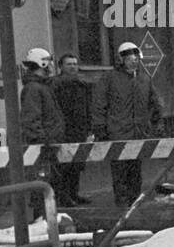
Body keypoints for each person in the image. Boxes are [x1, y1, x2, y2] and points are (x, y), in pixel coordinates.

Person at [92, 42, 164, 206]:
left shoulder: (144, 79)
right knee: (120, 170)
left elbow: (155, 102)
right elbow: (99, 103)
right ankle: (122, 203)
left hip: (138, 132)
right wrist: (100, 127)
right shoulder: (110, 78)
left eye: (136, 58)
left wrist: (157, 123)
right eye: (130, 59)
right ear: (121, 60)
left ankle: (135, 200)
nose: (134, 61)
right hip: (118, 131)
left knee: (135, 169)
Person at [19, 48, 67, 217]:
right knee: (42, 189)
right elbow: (31, 120)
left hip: (48, 147)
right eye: (49, 61)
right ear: (42, 63)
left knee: (49, 187)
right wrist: (42, 143)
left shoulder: (41, 87)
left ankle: (48, 222)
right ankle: (43, 223)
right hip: (43, 149)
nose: (52, 65)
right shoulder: (34, 88)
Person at [51, 53, 93, 205]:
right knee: (64, 166)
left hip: (79, 130)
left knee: (77, 165)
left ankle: (74, 194)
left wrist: (89, 128)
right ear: (61, 67)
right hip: (64, 131)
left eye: (75, 64)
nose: (73, 67)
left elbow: (87, 108)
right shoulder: (55, 85)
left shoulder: (82, 85)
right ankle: (64, 197)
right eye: (69, 64)